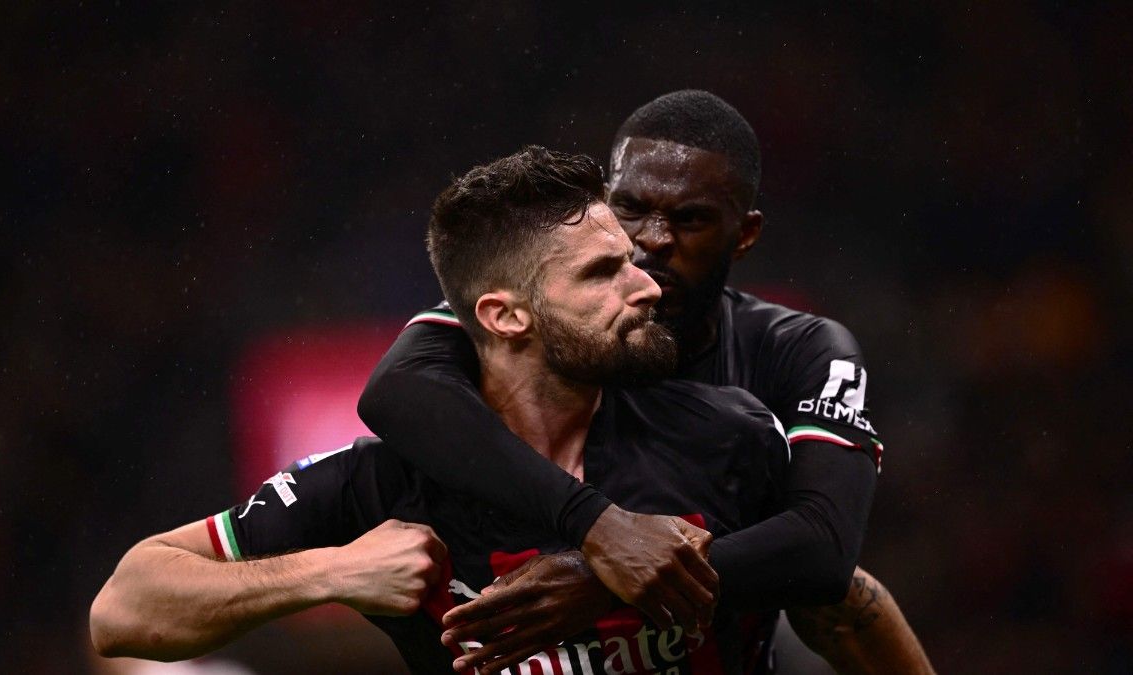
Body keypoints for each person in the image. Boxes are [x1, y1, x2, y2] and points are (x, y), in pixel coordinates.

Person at [90, 147, 793, 673]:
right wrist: (334, 572)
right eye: (602, 272)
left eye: (630, 260)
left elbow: (847, 598)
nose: (647, 285)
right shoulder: (384, 487)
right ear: (505, 315)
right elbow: (123, 607)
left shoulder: (726, 434)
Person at [359, 91, 934, 674]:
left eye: (690, 219)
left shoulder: (797, 350)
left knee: (837, 607)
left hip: (724, 627)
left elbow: (825, 550)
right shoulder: (539, 308)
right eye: (630, 208)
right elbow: (394, 390)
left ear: (745, 233)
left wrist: (611, 580)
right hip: (527, 611)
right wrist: (600, 528)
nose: (652, 239)